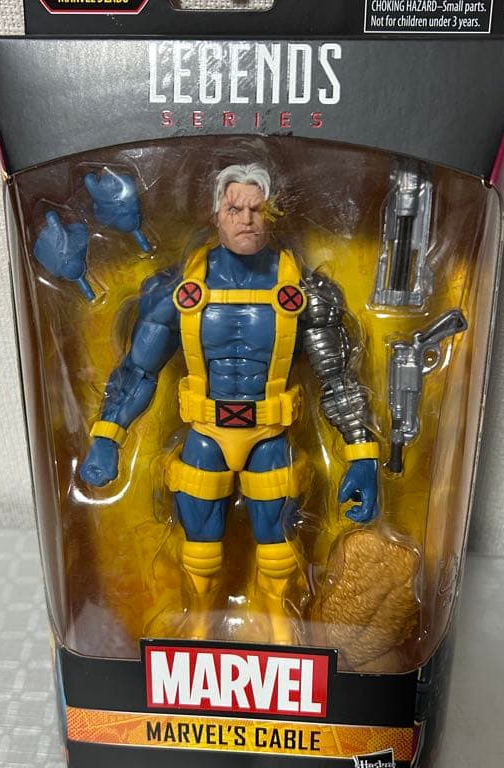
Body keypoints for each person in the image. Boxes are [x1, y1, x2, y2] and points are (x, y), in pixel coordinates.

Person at [80, 163, 379, 642]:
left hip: (270, 436)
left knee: (278, 550)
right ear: (216, 213)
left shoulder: (304, 294)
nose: (246, 219)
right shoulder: (177, 292)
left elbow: (339, 379)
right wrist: (108, 436)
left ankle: (281, 631)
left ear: (273, 214)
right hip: (205, 435)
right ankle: (198, 627)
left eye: (257, 209)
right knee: (199, 550)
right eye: (235, 209)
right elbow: (138, 370)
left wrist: (362, 454)